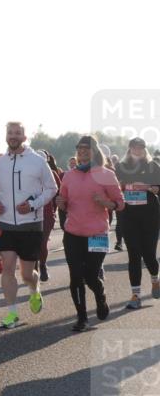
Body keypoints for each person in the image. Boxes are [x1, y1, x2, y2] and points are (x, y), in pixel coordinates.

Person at [0, 122, 58, 329]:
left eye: (17, 133)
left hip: (31, 225)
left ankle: (34, 289)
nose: (13, 136)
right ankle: (12, 313)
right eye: (10, 132)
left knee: (27, 274)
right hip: (6, 224)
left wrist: (34, 204)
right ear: (6, 135)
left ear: (24, 137)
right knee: (7, 268)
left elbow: (52, 188)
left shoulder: (37, 161)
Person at [56, 135, 125, 331]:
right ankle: (82, 317)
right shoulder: (69, 175)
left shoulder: (106, 174)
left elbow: (120, 204)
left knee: (91, 276)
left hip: (98, 234)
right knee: (76, 276)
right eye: (79, 148)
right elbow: (63, 200)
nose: (82, 151)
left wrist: (106, 203)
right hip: (73, 233)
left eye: (86, 148)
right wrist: (60, 203)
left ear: (94, 151)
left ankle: (100, 294)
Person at [113, 137, 160, 308]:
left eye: (141, 147)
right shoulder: (121, 166)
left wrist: (151, 187)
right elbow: (114, 187)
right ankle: (135, 295)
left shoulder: (152, 166)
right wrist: (121, 186)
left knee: (148, 254)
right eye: (134, 147)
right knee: (133, 255)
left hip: (150, 216)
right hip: (129, 216)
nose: (137, 150)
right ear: (129, 148)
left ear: (145, 149)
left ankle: (155, 279)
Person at [37, 150, 64, 282]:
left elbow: (58, 193)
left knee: (42, 243)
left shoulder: (52, 174)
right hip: (28, 215)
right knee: (32, 244)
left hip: (47, 215)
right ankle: (34, 267)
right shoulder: (27, 173)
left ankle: (42, 265)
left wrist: (54, 209)